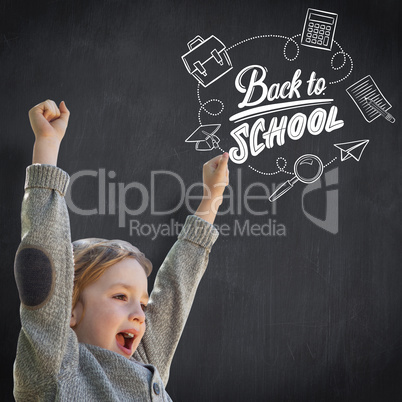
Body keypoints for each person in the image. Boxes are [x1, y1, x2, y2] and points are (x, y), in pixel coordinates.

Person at [13, 99, 229, 401]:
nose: (141, 316)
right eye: (120, 297)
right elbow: (42, 267)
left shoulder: (142, 362)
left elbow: (175, 291)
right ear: (70, 308)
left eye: (142, 304)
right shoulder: (57, 370)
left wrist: (212, 197)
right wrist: (47, 147)